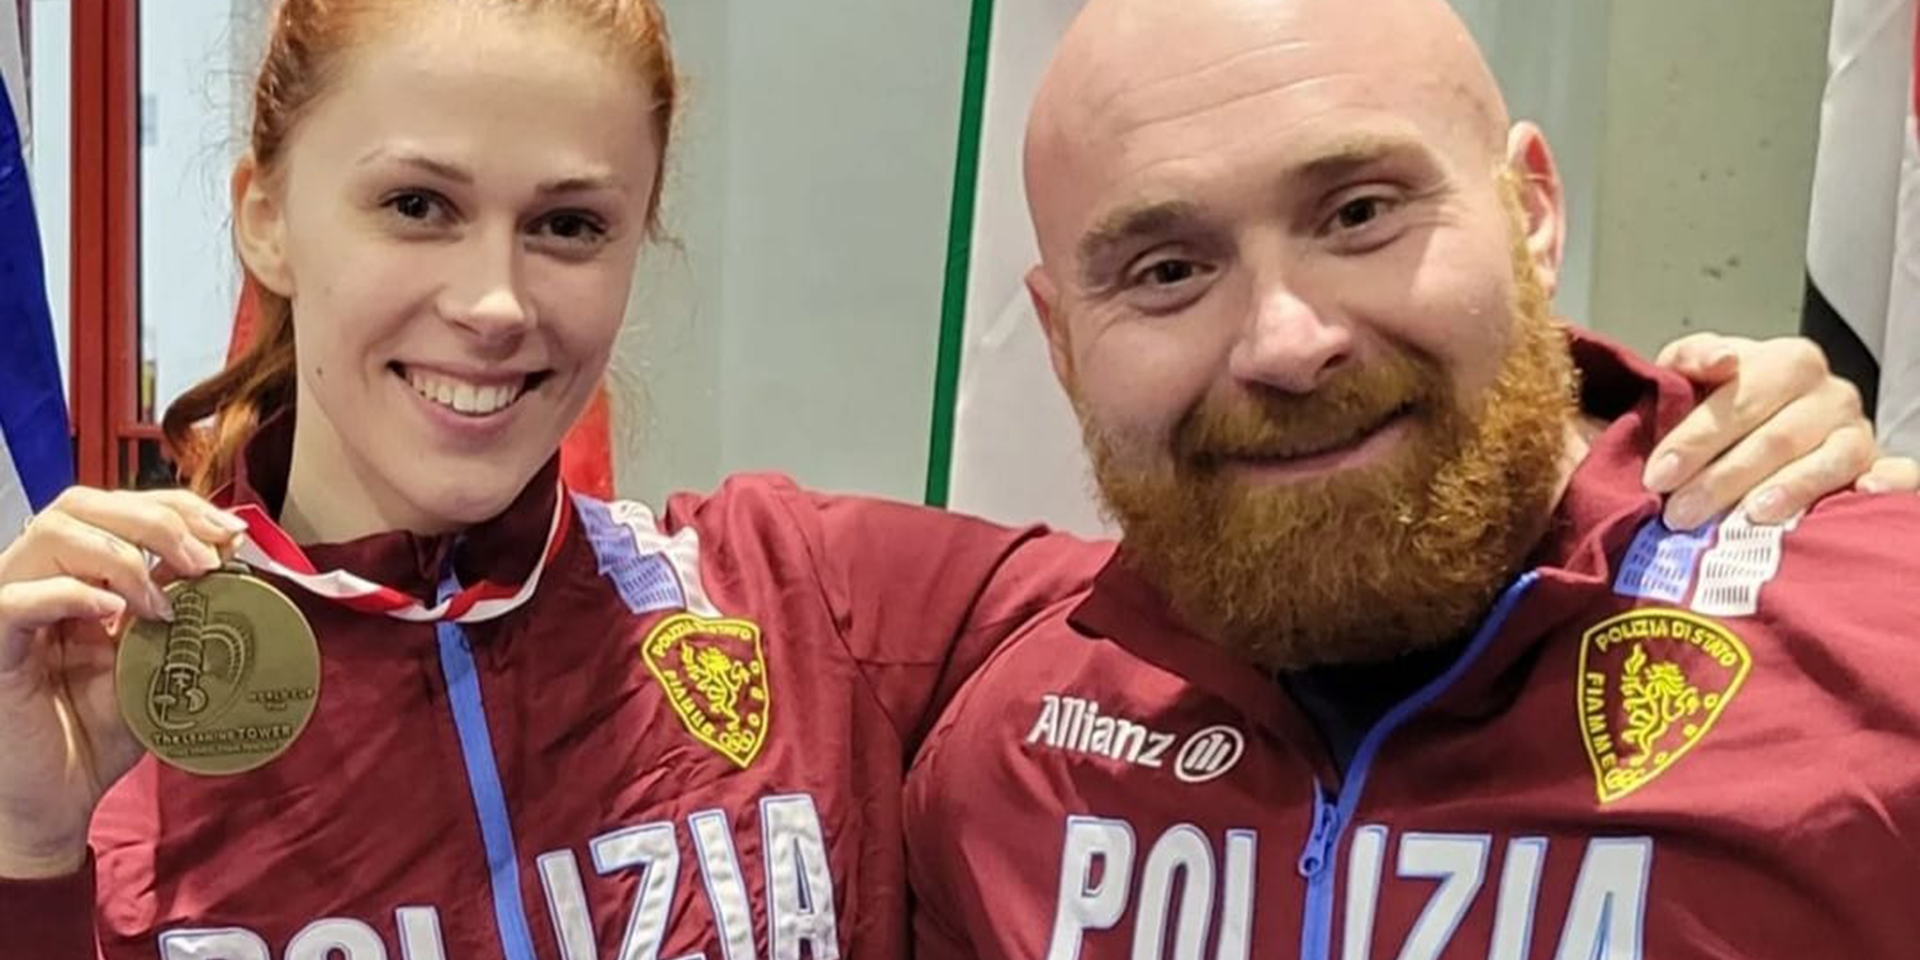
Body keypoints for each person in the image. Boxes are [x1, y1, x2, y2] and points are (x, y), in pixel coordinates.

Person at [0, 1, 1902, 958]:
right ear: (267, 214)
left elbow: (1279, 508)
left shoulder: (819, 609)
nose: (496, 301)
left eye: (570, 222)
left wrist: (1663, 431)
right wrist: (19, 854)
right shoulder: (85, 703)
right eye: (417, 205)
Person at [902, 1, 1920, 957]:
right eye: (1168, 272)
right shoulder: (1015, 764)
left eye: (1359, 214)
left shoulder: (1884, 657)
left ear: (1530, 215)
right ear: (1063, 345)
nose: (1285, 343)